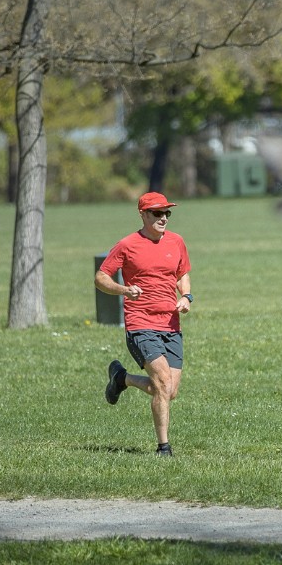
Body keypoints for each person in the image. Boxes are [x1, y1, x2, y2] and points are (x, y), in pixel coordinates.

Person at [96, 191, 193, 457]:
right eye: (157, 213)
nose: (164, 218)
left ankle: (121, 378)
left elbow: (182, 273)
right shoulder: (127, 245)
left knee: (168, 391)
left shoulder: (177, 242)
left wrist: (186, 296)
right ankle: (164, 447)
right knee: (162, 382)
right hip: (140, 323)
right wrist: (123, 290)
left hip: (171, 325)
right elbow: (101, 277)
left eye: (166, 213)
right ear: (143, 214)